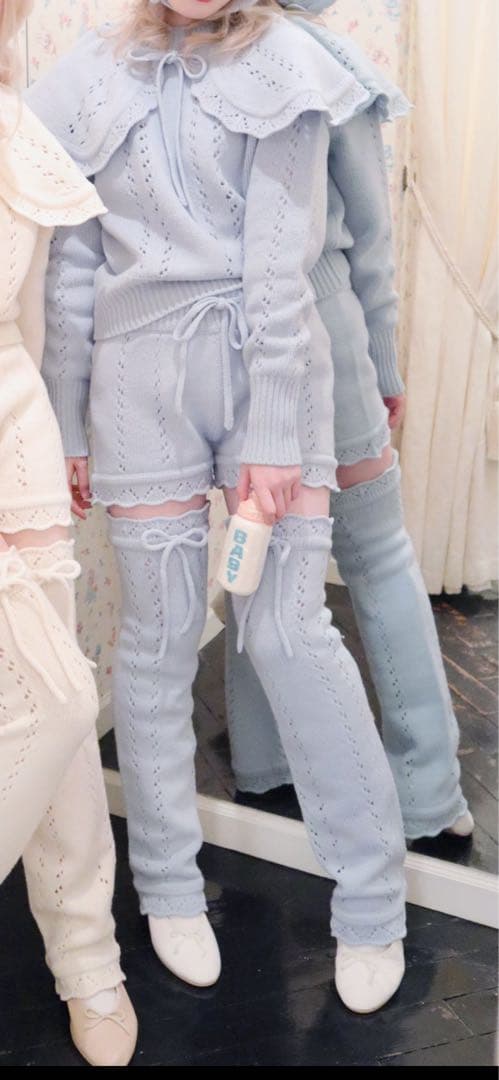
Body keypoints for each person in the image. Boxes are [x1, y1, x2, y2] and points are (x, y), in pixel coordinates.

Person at [28, 0, 408, 1013]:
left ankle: (373, 903)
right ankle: (166, 885)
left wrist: (275, 431)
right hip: (138, 382)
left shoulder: (285, 60)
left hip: (264, 369)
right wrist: (66, 419)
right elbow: (73, 263)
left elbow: (281, 261)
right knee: (155, 644)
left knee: (288, 632)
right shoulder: (88, 73)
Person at [223, 0, 473, 843]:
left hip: (225, 336)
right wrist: (384, 364)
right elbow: (368, 240)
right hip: (311, 326)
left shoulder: (193, 58)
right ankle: (424, 786)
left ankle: (263, 760)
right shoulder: (318, 59)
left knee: (257, 545)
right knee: (367, 550)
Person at [0, 1, 137, 1065]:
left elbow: (31, 328)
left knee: (55, 701)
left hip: (10, 432)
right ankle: (88, 957)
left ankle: (88, 953)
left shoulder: (19, 135)